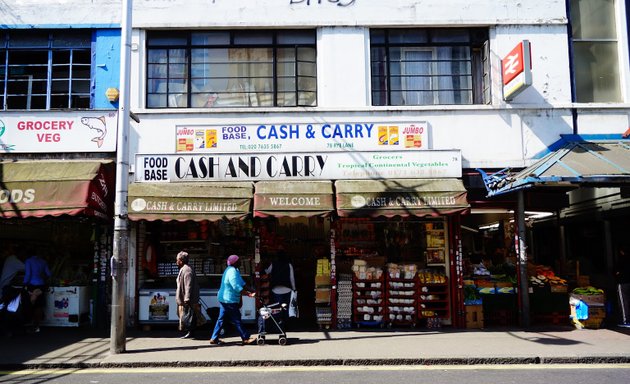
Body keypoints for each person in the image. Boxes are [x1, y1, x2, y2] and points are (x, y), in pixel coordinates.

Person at [210, 254, 256, 345]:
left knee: (221, 319)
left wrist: (252, 289)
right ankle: (245, 338)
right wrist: (248, 293)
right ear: (235, 262)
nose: (240, 262)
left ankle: (214, 338)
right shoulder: (232, 272)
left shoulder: (234, 270)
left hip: (224, 298)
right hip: (229, 299)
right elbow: (236, 286)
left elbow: (242, 283)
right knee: (236, 319)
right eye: (238, 261)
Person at [23, 247, 52, 333]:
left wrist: (24, 284)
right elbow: (49, 274)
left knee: (31, 305)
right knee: (39, 306)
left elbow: (28, 274)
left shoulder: (28, 261)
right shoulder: (43, 261)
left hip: (32, 286)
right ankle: (37, 326)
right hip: (41, 285)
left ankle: (31, 325)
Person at [264, 251, 296, 325]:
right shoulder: (289, 265)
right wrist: (294, 289)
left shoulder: (273, 264)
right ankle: (286, 322)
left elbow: (267, 272)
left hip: (276, 290)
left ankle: (279, 322)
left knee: (278, 307)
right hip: (287, 289)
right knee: (286, 307)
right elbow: (292, 278)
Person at [175, 251, 201, 339]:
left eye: (177, 260)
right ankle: (189, 332)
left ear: (181, 261)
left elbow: (188, 285)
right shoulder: (185, 268)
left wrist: (187, 298)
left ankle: (190, 332)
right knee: (187, 315)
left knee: (189, 316)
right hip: (186, 298)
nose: (176, 262)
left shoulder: (187, 270)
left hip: (188, 299)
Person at [615, 246, 630, 327]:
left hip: (623, 282)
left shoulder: (622, 260)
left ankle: (626, 321)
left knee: (623, 301)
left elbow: (616, 272)